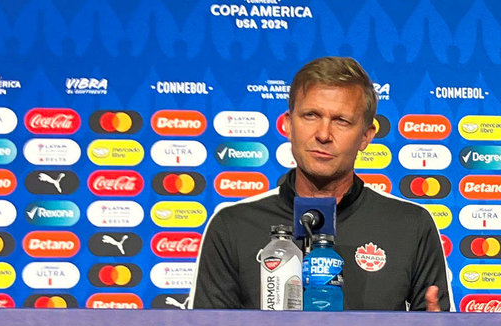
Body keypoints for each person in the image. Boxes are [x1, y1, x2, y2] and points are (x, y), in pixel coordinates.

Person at [190, 56, 451, 311]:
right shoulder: (232, 225)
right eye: (311, 115)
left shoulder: (411, 225)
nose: (324, 134)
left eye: (341, 121)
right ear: (288, 125)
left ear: (365, 136)